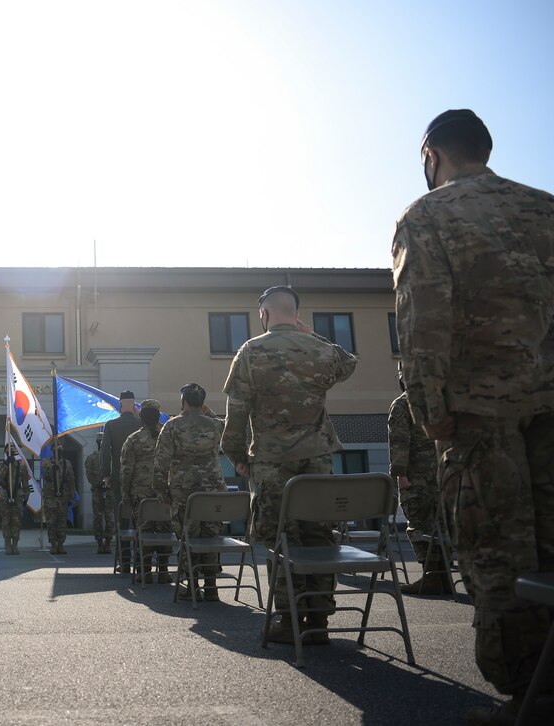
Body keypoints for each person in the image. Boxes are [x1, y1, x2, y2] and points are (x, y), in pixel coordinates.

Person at [392, 109, 554, 723]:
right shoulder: (546, 209)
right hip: (550, 409)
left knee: (498, 555)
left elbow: (423, 321)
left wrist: (429, 413)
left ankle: (527, 699)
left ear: (430, 153)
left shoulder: (426, 215)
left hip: (479, 420)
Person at [221, 285, 357, 644]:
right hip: (317, 459)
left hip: (271, 462)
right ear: (295, 315)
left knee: (281, 539)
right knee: (318, 535)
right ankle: (319, 621)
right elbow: (349, 362)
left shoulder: (251, 350)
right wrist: (312, 334)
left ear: (263, 315)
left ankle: (287, 618)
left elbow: (236, 412)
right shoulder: (319, 350)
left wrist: (236, 456)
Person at [153, 384, 228, 600]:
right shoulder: (214, 426)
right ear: (202, 403)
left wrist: (163, 494)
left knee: (187, 536)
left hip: (184, 491)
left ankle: (192, 585)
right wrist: (206, 411)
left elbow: (160, 464)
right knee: (211, 535)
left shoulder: (172, 426)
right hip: (213, 491)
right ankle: (211, 586)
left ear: (182, 401)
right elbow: (225, 426)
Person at [387, 364, 449, 596]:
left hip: (417, 477)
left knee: (419, 525)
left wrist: (400, 474)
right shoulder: (439, 401)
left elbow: (399, 441)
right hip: (442, 475)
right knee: (439, 526)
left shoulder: (403, 403)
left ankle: (432, 577)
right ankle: (441, 577)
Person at [120, 399, 170, 583]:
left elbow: (126, 470)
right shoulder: (167, 437)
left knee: (144, 532)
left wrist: (125, 494)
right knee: (165, 531)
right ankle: (163, 571)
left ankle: (144, 571)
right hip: (164, 493)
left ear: (141, 417)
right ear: (157, 417)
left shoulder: (133, 440)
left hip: (141, 496)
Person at [101, 391, 139, 571]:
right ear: (133, 405)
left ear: (120, 405)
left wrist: (106, 475)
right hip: (141, 479)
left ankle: (124, 562)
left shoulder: (111, 425)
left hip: (119, 478)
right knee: (141, 519)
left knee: (122, 521)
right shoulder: (142, 424)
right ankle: (141, 562)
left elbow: (105, 452)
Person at [0, 446, 32, 555]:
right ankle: (7, 544)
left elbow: (25, 483)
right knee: (6, 521)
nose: (11, 452)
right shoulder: (0, 465)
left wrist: (26, 497)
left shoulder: (21, 466)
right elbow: (0, 477)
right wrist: (7, 465)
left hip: (17, 496)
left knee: (16, 521)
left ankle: (15, 545)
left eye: (13, 450)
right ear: (5, 452)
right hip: (5, 496)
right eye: (9, 450)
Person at [41, 441, 75, 555]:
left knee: (62, 522)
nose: (59, 449)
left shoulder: (67, 464)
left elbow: (71, 480)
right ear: (53, 449)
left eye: (61, 447)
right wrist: (53, 466)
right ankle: (53, 545)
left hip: (63, 498)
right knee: (51, 523)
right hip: (50, 498)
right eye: (57, 447)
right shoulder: (46, 462)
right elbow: (46, 473)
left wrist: (71, 495)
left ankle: (61, 544)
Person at [85, 430, 114, 554]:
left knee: (110, 517)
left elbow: (115, 472)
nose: (100, 444)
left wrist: (109, 483)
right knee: (98, 518)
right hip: (97, 491)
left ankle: (108, 542)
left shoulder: (112, 457)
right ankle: (99, 542)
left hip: (109, 491)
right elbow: (89, 474)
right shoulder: (91, 458)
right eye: (99, 442)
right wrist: (97, 483)